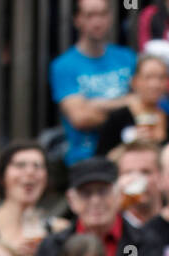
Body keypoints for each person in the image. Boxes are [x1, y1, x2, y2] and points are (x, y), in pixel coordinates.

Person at [25, 158, 141, 256]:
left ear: (119, 195)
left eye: (103, 191)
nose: (95, 200)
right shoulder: (53, 246)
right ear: (71, 200)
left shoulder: (139, 242)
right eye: (86, 193)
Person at [50, 0, 136, 167]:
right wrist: (125, 108)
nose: (97, 21)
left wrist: (92, 104)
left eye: (102, 14)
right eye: (90, 15)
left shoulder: (127, 57)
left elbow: (144, 103)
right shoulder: (63, 66)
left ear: (110, 17)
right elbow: (80, 118)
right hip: (85, 158)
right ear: (77, 20)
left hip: (128, 155)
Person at [0, 143, 62, 256]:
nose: (30, 172)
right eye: (20, 165)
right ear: (2, 176)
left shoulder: (59, 230)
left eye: (38, 166)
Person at [95, 54, 169, 156]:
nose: (155, 84)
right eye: (148, 77)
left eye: (161, 78)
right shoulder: (118, 118)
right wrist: (128, 146)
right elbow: (101, 159)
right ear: (135, 81)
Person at [113, 140, 164, 228]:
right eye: (128, 173)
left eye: (145, 172)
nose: (136, 180)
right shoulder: (112, 227)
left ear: (162, 176)